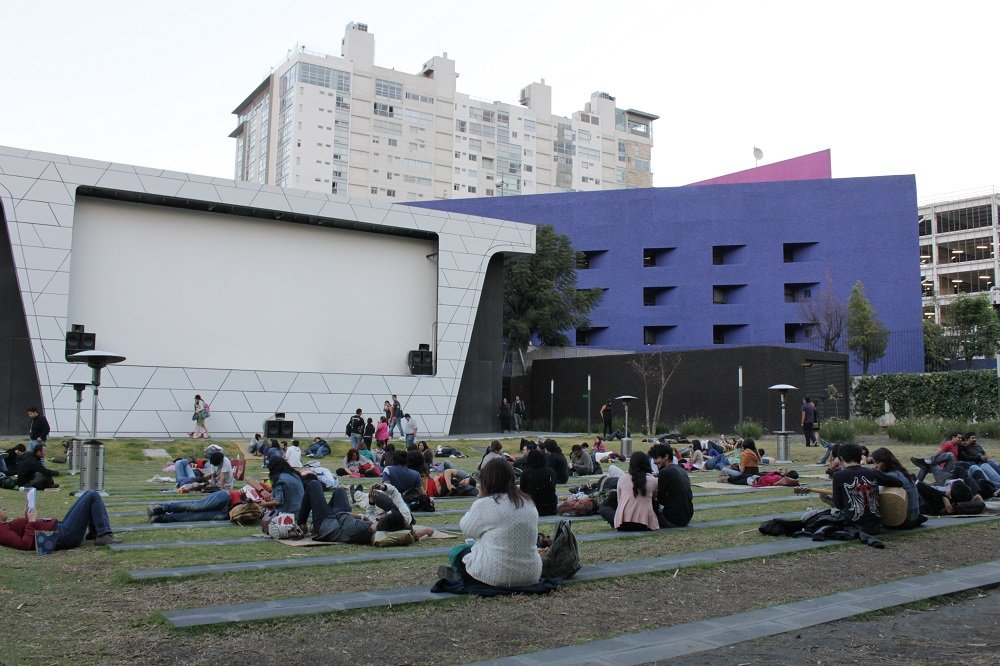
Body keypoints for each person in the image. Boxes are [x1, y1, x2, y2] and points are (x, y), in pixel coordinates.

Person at [452, 458, 542, 587]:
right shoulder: (528, 502)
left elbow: (467, 529)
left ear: (487, 480)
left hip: (496, 576)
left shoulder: (487, 504)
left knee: (457, 552)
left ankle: (460, 575)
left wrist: (480, 498)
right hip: (531, 574)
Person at [1, 490, 119, 549]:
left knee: (88, 494)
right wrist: (31, 522)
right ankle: (103, 534)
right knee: (92, 495)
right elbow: (24, 544)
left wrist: (27, 517)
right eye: (1, 508)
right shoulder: (1, 532)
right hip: (62, 536)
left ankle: (95, 532)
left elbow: (24, 532)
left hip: (60, 527)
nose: (4, 508)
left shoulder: (5, 526)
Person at [829, 443, 903, 534]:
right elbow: (898, 482)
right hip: (875, 525)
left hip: (853, 525)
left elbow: (839, 505)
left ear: (841, 459)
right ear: (861, 458)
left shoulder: (838, 476)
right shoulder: (872, 472)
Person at [599, 451, 659, 531]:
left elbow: (619, 500)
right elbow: (656, 498)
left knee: (604, 509)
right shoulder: (653, 480)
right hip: (644, 524)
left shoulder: (622, 479)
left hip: (623, 524)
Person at [871, 447, 921, 526]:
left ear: (885, 462)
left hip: (904, 520)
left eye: (877, 463)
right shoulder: (899, 472)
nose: (875, 466)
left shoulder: (891, 476)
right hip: (914, 517)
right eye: (874, 463)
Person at [649, 444, 694, 528]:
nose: (654, 462)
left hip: (672, 519)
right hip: (686, 517)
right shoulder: (681, 470)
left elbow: (660, 499)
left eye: (656, 458)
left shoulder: (665, 472)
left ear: (666, 456)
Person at [519, 448, 558, 516]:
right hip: (551, 508)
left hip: (533, 508)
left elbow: (523, 491)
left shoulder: (526, 473)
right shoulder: (551, 472)